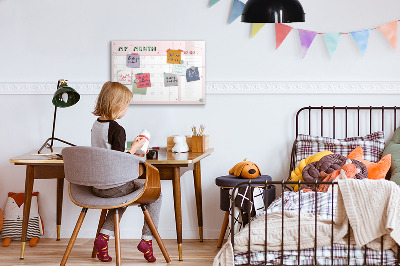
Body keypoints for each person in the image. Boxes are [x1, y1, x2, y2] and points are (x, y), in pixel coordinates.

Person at [91, 81, 161, 263]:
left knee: (121, 198)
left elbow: (108, 154)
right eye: (126, 105)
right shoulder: (117, 129)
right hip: (114, 186)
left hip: (97, 186)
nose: (126, 109)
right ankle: (147, 240)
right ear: (117, 105)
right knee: (156, 194)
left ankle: (103, 238)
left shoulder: (96, 125)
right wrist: (135, 149)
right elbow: (118, 161)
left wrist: (130, 149)